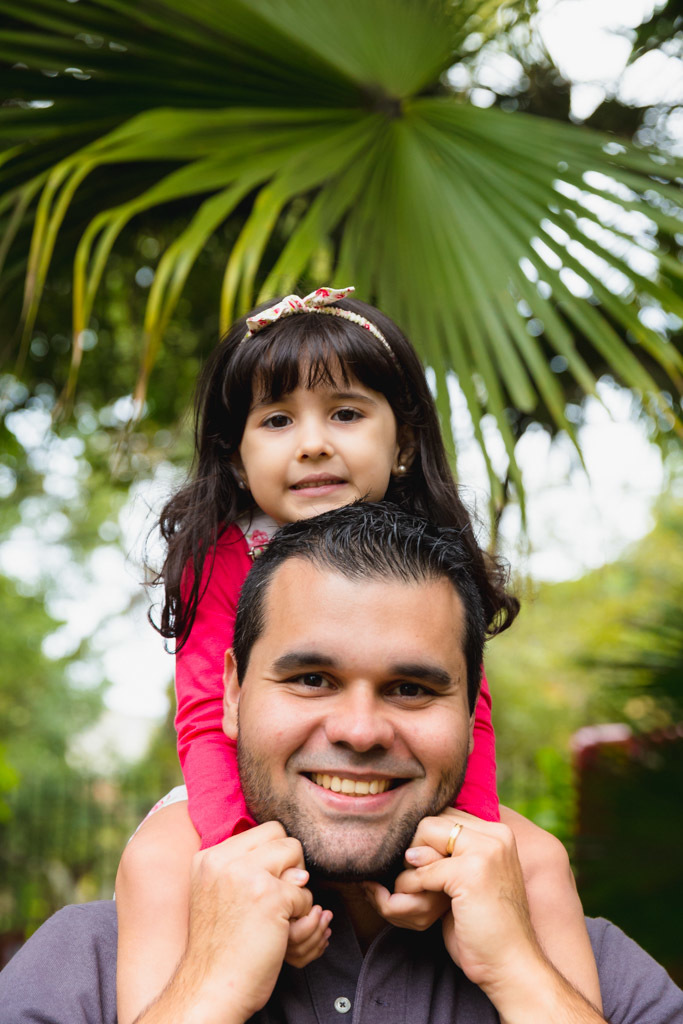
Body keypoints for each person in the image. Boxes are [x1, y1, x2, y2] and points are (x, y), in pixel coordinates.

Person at [114, 285, 599, 1021]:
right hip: (239, 789)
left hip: (406, 789)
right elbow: (210, 718)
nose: (312, 442)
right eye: (277, 420)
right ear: (238, 459)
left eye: (344, 413)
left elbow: (466, 715)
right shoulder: (218, 558)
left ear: (402, 441)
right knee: (156, 858)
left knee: (534, 860)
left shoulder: (434, 563)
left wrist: (459, 839)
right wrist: (243, 853)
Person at [1, 504, 681, 1024]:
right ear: (232, 694)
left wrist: (521, 976)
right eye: (311, 680)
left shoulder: (592, 969)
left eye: (411, 689)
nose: (359, 731)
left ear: (471, 711)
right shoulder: (83, 967)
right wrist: (205, 992)